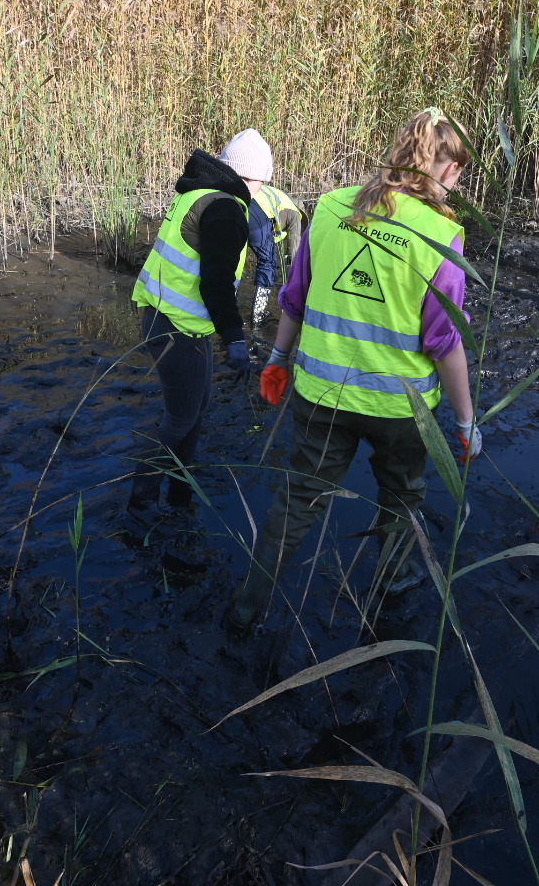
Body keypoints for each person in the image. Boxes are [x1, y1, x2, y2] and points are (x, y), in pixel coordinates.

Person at [227, 109, 483, 632]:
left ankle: (248, 606)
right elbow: (444, 342)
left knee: (299, 500)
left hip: (322, 395)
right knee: (402, 497)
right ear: (449, 167)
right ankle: (391, 581)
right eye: (458, 171)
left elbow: (294, 297)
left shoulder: (330, 207)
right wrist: (465, 420)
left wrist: (277, 359)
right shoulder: (441, 234)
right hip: (402, 409)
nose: (456, 182)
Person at [127, 130, 266, 517]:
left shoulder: (198, 193)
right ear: (253, 177)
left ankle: (180, 489)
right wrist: (234, 339)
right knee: (179, 418)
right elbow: (215, 283)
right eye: (262, 182)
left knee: (194, 409)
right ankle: (141, 504)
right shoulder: (225, 209)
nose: (261, 191)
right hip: (177, 329)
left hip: (168, 318)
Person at [248, 180, 302, 323]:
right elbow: (295, 248)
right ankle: (258, 316)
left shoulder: (278, 197)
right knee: (268, 263)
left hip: (240, 205)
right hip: (255, 214)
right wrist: (295, 275)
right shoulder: (294, 213)